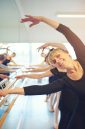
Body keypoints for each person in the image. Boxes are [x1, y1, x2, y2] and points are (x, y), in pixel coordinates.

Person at [0, 15, 85, 129]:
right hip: (81, 109)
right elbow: (39, 89)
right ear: (54, 66)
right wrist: (9, 90)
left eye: (59, 56)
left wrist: (42, 19)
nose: (58, 61)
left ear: (67, 53)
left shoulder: (82, 55)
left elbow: (67, 31)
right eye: (54, 61)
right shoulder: (65, 82)